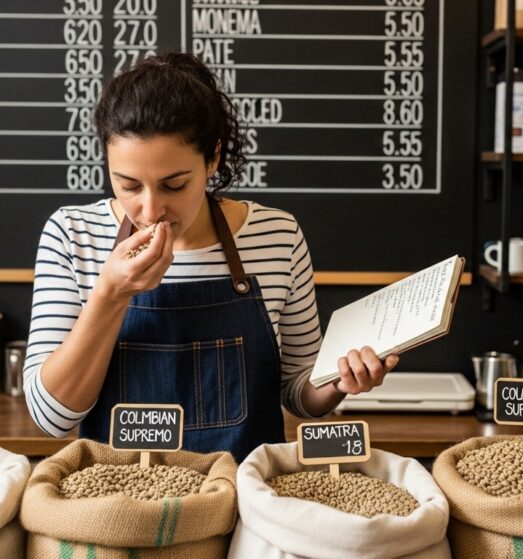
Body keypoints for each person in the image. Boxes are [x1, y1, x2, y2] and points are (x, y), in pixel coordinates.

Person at [23, 52, 398, 461]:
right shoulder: (72, 235)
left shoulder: (278, 235)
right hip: (120, 495)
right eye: (128, 185)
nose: (151, 210)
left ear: (213, 157)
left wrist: (339, 381)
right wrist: (110, 294)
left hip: (243, 491)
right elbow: (51, 418)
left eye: (174, 185)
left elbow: (298, 394)